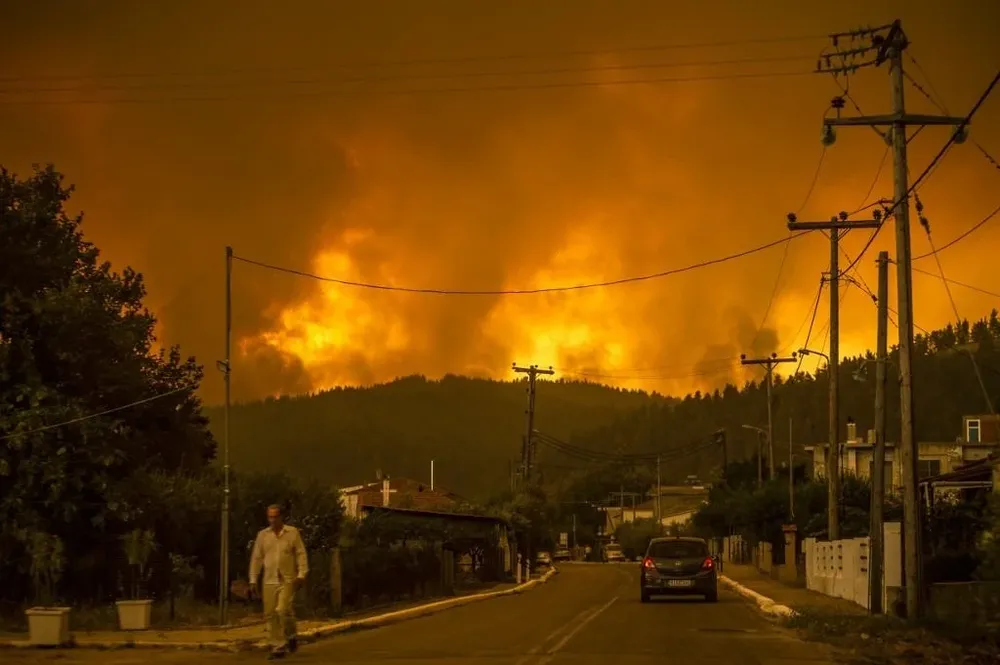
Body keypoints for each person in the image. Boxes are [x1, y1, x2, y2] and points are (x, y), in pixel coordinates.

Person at [249, 504, 309, 660]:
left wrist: (302, 573)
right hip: (269, 579)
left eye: (275, 516)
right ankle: (278, 646)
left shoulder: (292, 533)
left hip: (287, 578)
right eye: (270, 517)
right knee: (270, 614)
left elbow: (300, 554)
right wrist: (253, 579)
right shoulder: (263, 535)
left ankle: (291, 635)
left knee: (282, 609)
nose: (273, 520)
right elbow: (257, 558)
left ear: (281, 517)